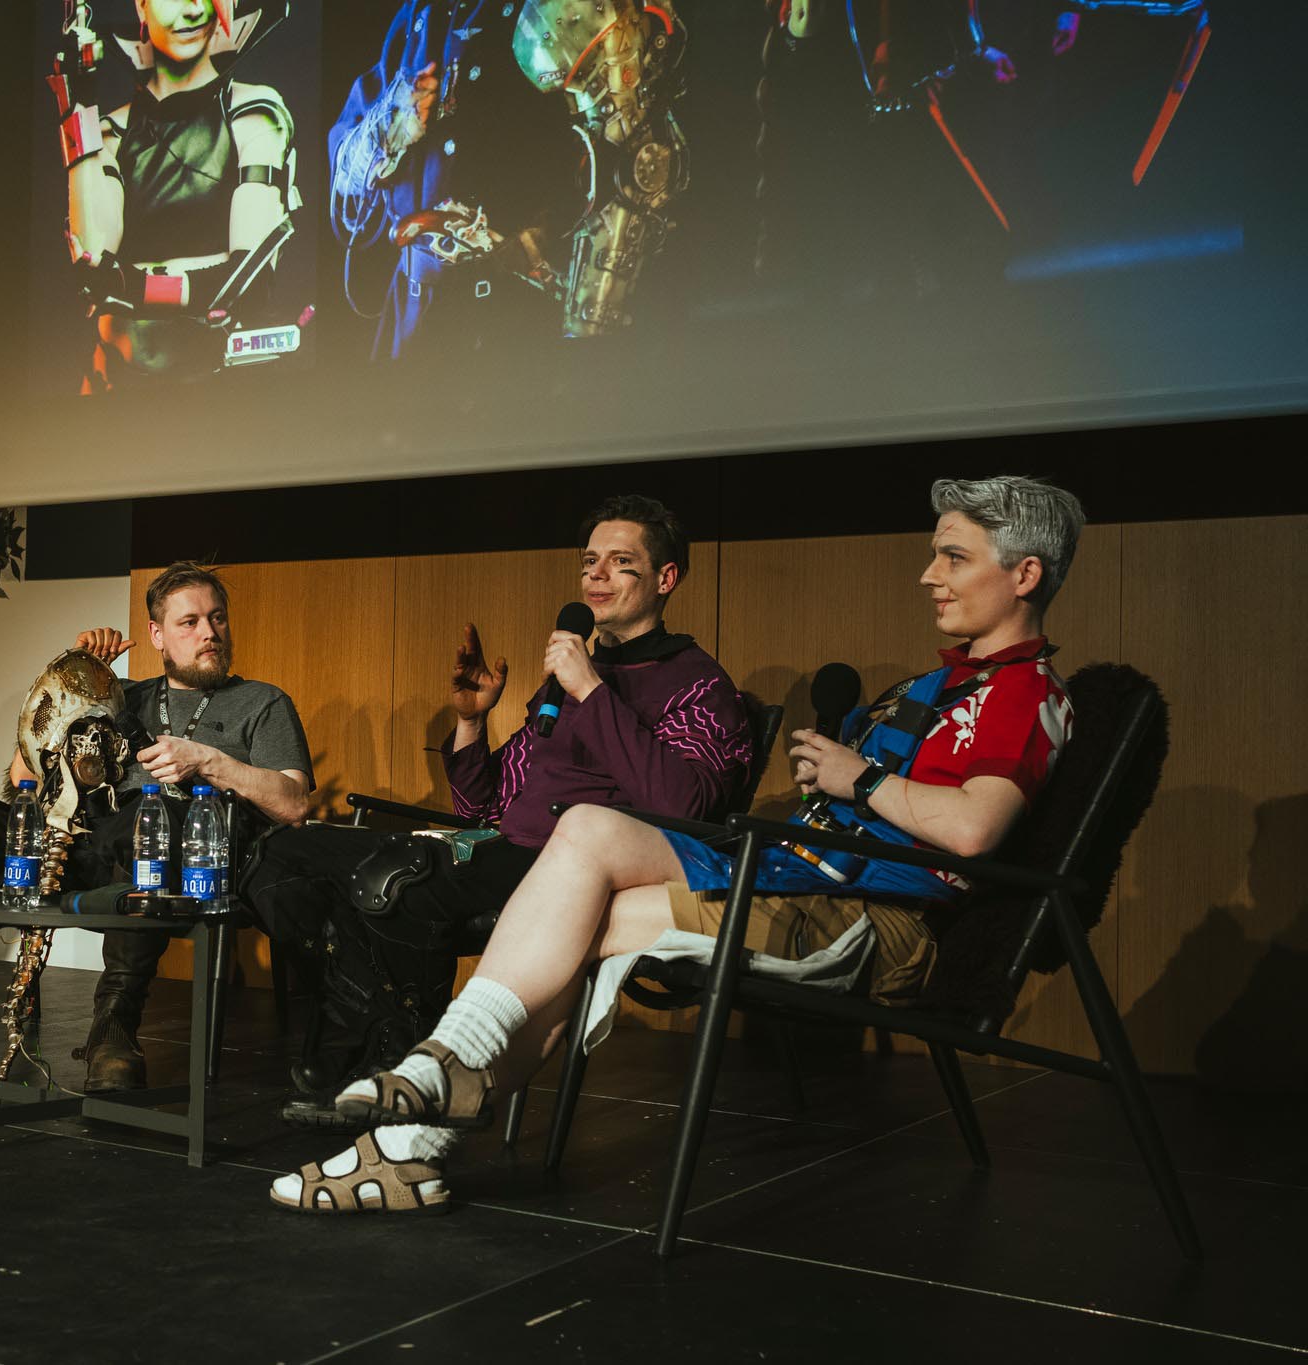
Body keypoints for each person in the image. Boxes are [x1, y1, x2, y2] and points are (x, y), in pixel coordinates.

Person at [270, 474, 1083, 1213]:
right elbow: (493, 800)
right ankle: (409, 1144)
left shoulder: (1021, 690)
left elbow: (973, 827)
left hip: (864, 909)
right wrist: (475, 723)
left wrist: (859, 778)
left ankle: (432, 1081)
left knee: (578, 837)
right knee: (560, 911)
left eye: (952, 557)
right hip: (798, 872)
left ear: (1024, 574)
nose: (929, 575)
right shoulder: (935, 687)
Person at [247, 494, 753, 1124]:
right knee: (282, 854)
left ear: (665, 578)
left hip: (565, 871)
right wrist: (470, 721)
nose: (596, 575)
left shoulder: (698, 684)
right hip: (500, 847)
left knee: (393, 881)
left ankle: (391, 1066)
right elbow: (486, 805)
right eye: (589, 561)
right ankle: (378, 1037)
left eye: (620, 562)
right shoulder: (569, 675)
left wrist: (591, 691)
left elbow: (686, 806)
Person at [0, 560, 314, 1092]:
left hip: (179, 865)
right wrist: (77, 680)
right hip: (81, 848)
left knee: (140, 824)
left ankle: (113, 1032)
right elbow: (24, 779)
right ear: (156, 634)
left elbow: (293, 804)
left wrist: (208, 760)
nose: (210, 633)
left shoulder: (262, 702)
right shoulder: (122, 696)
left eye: (217, 618)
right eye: (190, 622)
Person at [53, 0, 301, 390]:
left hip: (221, 394)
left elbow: (248, 283)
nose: (193, 10)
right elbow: (93, 263)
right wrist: (76, 108)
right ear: (142, 6)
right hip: (113, 393)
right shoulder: (109, 132)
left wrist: (135, 287)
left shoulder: (255, 113)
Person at [329, 1, 584, 359]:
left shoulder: (548, 9)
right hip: (415, 303)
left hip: (514, 307)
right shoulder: (418, 14)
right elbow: (346, 167)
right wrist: (389, 125)